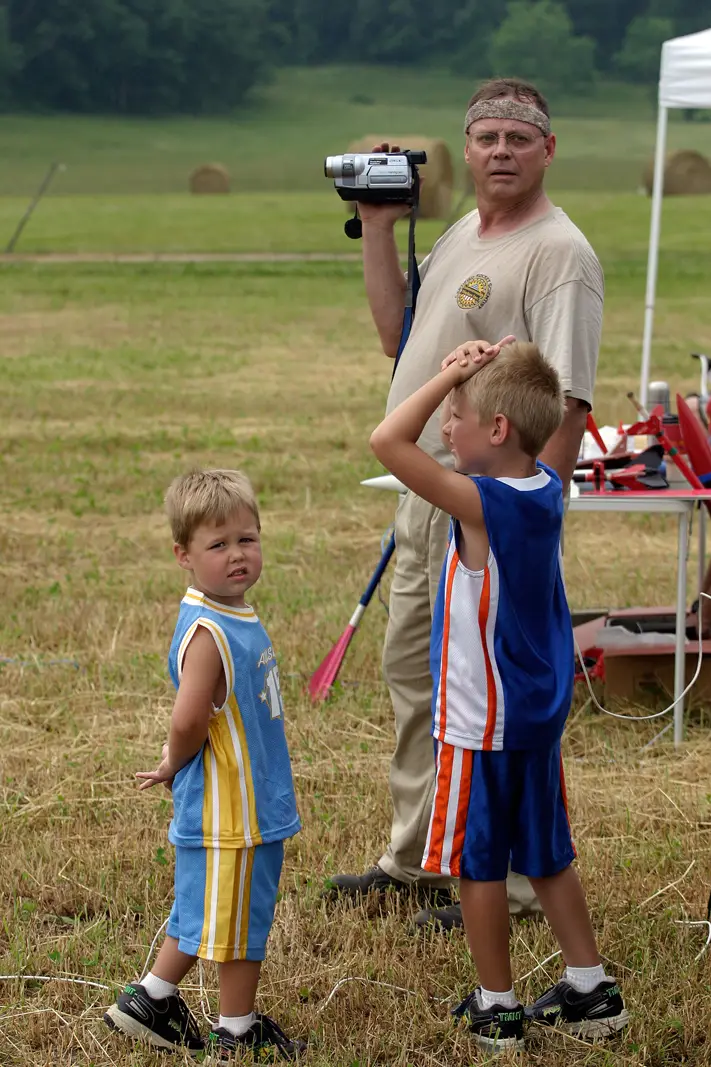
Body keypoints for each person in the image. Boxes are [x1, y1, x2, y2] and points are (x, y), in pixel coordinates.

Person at [328, 77, 604, 931]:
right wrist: (378, 226)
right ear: (467, 146)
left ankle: (515, 881)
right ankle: (417, 855)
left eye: (518, 139)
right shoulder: (457, 233)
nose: (498, 153)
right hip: (427, 494)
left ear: (547, 150)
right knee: (418, 680)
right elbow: (396, 336)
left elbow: (568, 400)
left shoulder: (558, 254)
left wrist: (533, 515)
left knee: (496, 700)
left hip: (487, 512)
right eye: (484, 138)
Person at [369, 338, 628, 1051]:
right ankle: (589, 986)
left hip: (481, 724)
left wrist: (447, 372)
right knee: (546, 853)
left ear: (496, 431)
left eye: (455, 415)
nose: (444, 427)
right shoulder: (545, 485)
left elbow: (386, 439)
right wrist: (489, 374)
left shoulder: (481, 504)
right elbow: (558, 420)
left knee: (477, 864)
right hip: (533, 719)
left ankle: (497, 1005)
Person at [104, 469, 304, 1061]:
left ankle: (152, 998)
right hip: (233, 812)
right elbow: (190, 718)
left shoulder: (230, 614)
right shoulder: (210, 631)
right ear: (183, 556)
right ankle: (235, 1031)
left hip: (234, 805)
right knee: (242, 925)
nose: (237, 555)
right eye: (217, 545)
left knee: (201, 907)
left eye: (247, 539)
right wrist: (175, 759)